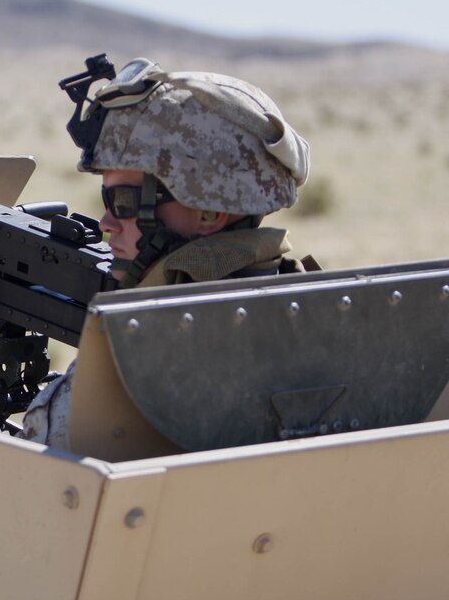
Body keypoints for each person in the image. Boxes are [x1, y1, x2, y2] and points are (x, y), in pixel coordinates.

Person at [17, 56, 313, 448]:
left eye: (123, 201)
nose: (105, 222)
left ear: (209, 210)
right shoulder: (311, 314)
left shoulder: (154, 355)